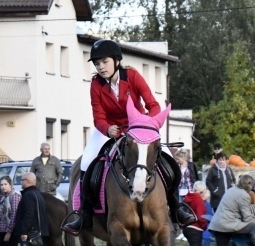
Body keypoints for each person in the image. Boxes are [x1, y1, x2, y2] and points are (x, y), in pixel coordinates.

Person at [63, 38, 194, 235]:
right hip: (109, 132)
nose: (100, 67)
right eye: (97, 63)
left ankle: (177, 208)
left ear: (116, 60)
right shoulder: (96, 85)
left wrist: (146, 125)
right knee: (86, 163)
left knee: (168, 159)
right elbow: (98, 116)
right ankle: (84, 214)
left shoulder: (132, 76)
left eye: (104, 62)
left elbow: (153, 105)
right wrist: (108, 129)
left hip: (139, 128)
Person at [16, 172, 48, 246]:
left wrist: (24, 231)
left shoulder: (28, 195)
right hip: (38, 233)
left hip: (29, 234)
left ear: (28, 181)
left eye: (22, 180)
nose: (21, 182)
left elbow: (28, 215)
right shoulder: (37, 194)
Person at [182, 181, 211, 246]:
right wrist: (205, 225)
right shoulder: (198, 200)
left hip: (187, 227)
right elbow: (201, 216)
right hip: (195, 229)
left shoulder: (189, 198)